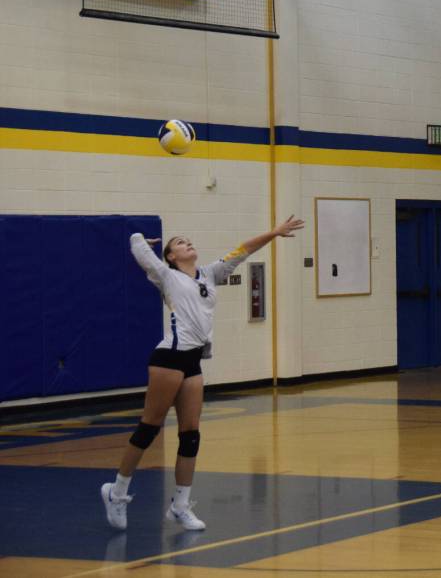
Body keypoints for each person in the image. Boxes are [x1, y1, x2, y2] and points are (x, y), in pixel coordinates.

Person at [101, 216, 305, 530]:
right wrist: (141, 237)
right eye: (180, 243)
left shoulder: (209, 275)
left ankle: (180, 506)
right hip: (170, 357)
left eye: (188, 240)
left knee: (191, 435)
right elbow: (141, 254)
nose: (188, 243)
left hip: (193, 362)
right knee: (149, 428)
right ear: (171, 256)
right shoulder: (166, 275)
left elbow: (242, 251)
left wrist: (274, 233)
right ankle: (117, 492)